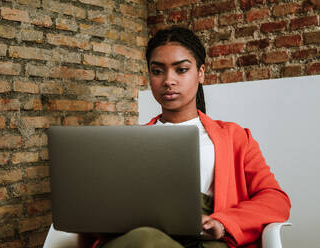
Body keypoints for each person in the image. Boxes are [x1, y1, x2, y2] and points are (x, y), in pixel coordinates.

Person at [91, 27, 291, 248]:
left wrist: (223, 222)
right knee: (144, 239)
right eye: (157, 71)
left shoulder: (234, 137)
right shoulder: (130, 142)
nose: (168, 80)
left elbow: (275, 199)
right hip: (142, 235)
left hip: (207, 238)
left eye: (181, 70)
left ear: (201, 73)